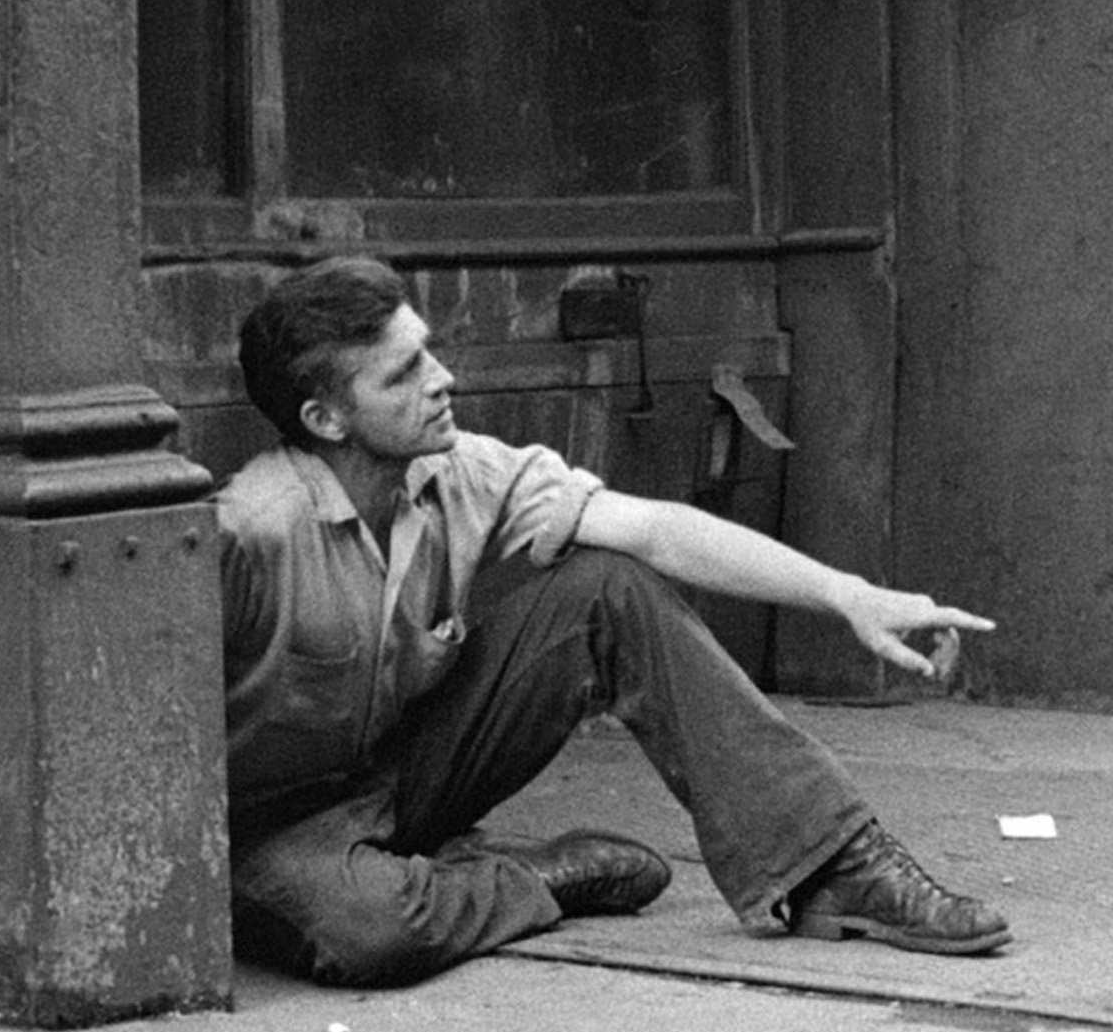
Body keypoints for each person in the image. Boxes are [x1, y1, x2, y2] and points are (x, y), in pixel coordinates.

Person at [216, 254, 1011, 988]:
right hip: (263, 828)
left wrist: (849, 595)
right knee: (374, 929)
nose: (442, 378)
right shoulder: (250, 530)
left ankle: (834, 863)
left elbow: (656, 531)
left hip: (401, 781)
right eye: (404, 373)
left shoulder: (454, 471)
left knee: (607, 586)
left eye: (427, 352)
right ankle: (535, 878)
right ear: (326, 418)